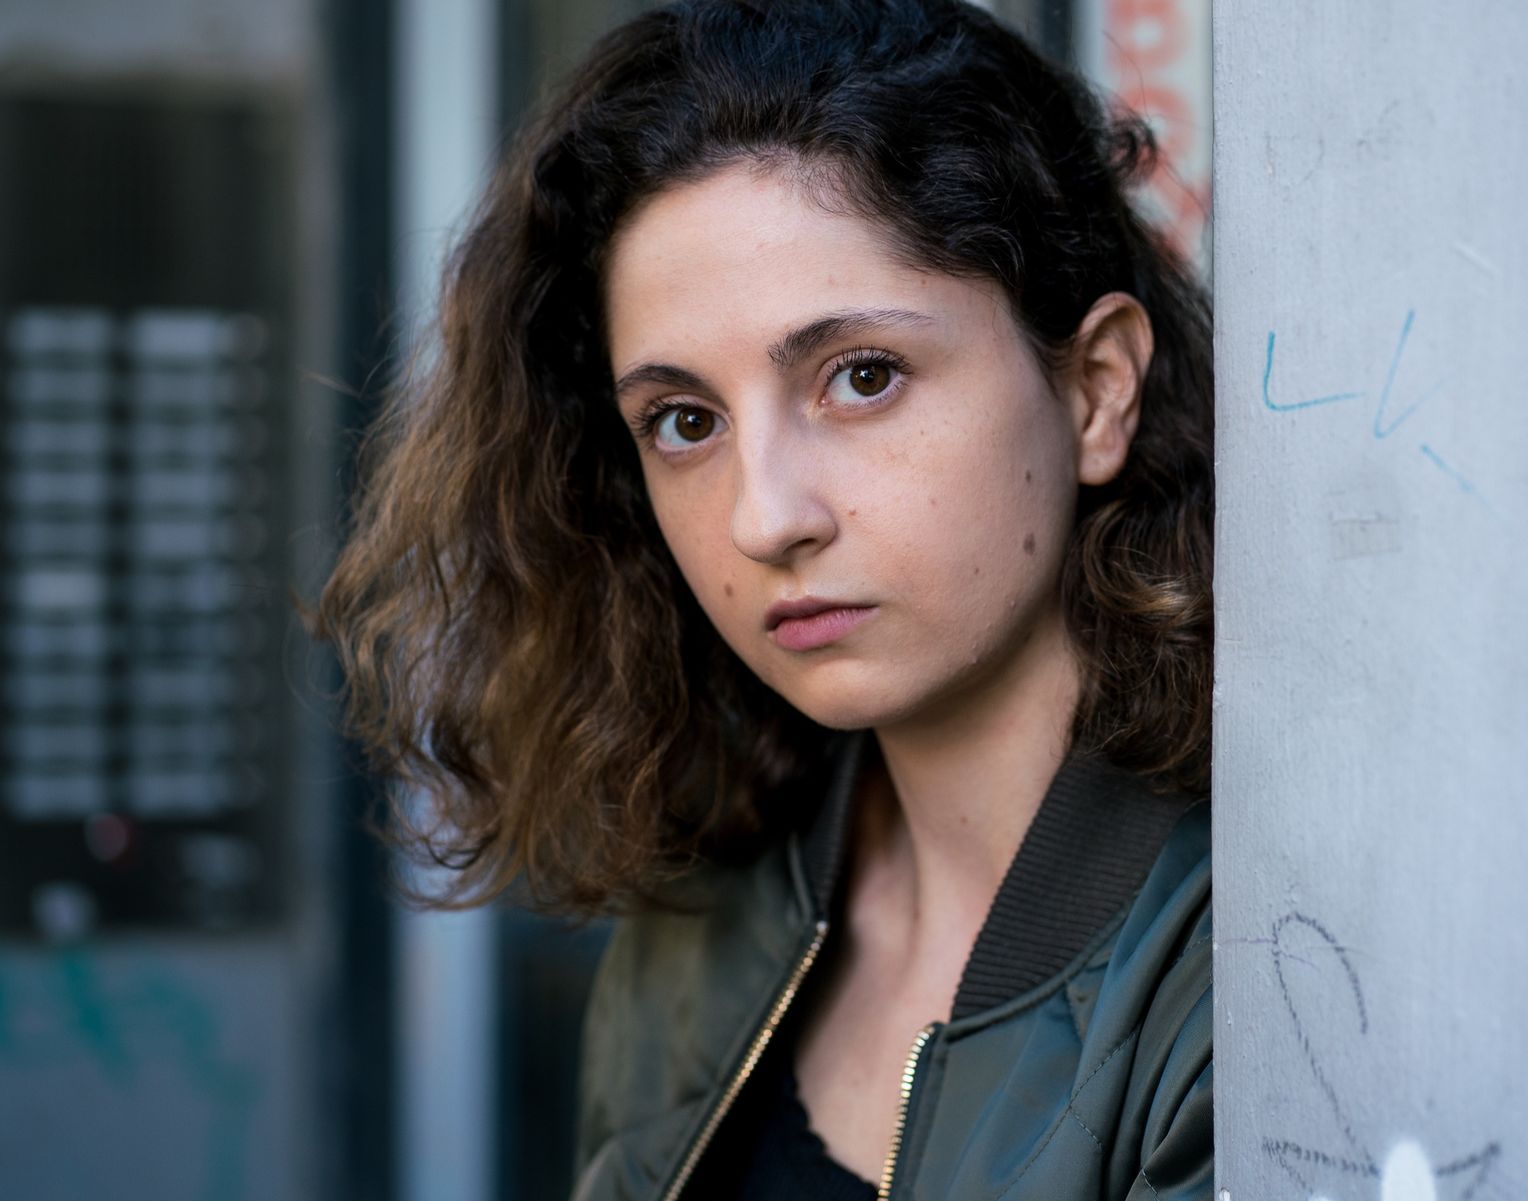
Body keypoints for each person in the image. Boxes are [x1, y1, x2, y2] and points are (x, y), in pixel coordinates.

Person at [309, 0, 1215, 1197]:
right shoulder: (702, 924)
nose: (764, 517)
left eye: (863, 376)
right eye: (685, 421)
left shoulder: (1252, 973)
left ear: (1096, 391)